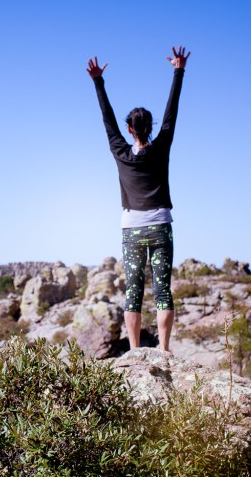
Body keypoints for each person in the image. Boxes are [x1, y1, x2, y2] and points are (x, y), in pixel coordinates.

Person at [86, 46, 190, 352]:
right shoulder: (161, 147)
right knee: (162, 291)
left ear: (130, 129)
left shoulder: (120, 151)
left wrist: (98, 82)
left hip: (131, 228)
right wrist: (178, 70)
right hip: (160, 225)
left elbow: (107, 121)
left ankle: (134, 350)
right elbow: (172, 112)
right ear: (152, 128)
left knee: (133, 290)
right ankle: (164, 349)